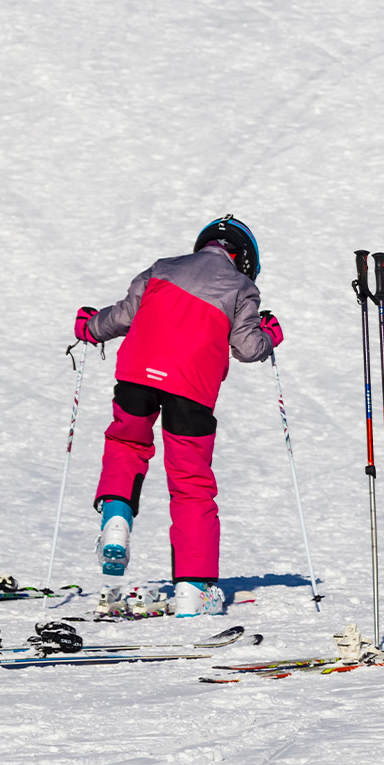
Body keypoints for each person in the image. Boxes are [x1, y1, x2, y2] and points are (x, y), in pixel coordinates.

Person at [72, 217, 280, 618]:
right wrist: (270, 332)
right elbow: (248, 347)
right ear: (245, 259)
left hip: (136, 376)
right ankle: (192, 589)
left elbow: (121, 316)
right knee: (190, 482)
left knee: (126, 444)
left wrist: (90, 328)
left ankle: (116, 523)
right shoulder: (242, 288)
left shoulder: (162, 268)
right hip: (192, 389)